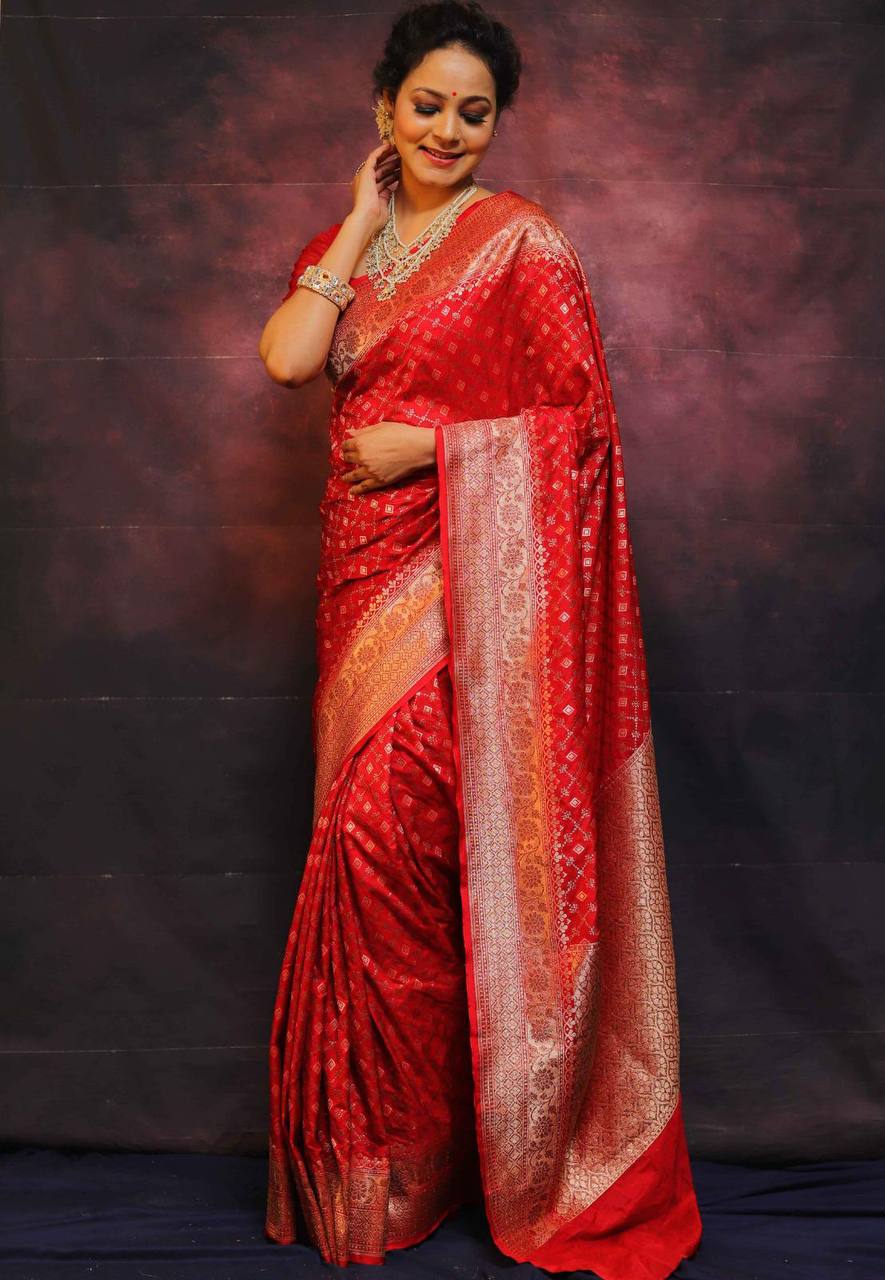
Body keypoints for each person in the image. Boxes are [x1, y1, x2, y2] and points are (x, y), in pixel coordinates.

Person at [257, 3, 703, 1277]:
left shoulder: (525, 245)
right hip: (357, 592)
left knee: (401, 850)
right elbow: (289, 359)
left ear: (497, 121)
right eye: (427, 105)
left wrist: (433, 449)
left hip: (467, 602)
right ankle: (384, 1170)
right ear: (385, 108)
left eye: (474, 111)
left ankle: (442, 1156)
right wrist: (358, 221)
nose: (448, 130)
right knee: (362, 864)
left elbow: (583, 434)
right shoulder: (348, 244)